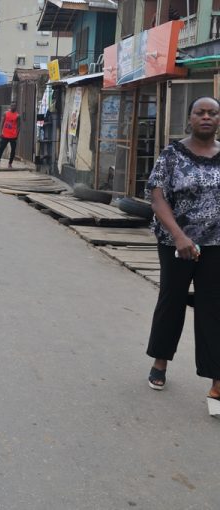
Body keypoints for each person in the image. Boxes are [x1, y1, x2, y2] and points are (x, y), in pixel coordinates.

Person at [144, 96, 220, 414]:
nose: (206, 117)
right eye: (199, 112)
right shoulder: (172, 154)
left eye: (212, 113)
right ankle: (160, 362)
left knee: (213, 308)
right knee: (172, 300)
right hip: (175, 242)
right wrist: (179, 236)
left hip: (215, 243)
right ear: (189, 118)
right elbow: (157, 196)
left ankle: (216, 381)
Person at [0, 101, 20, 168]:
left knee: (13, 150)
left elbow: (19, 126)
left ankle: (10, 163)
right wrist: (1, 132)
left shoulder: (18, 116)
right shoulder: (6, 113)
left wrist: (17, 135)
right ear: (10, 106)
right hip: (5, 135)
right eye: (12, 105)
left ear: (16, 107)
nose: (13, 107)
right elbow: (2, 122)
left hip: (13, 136)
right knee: (0, 149)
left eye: (14, 106)